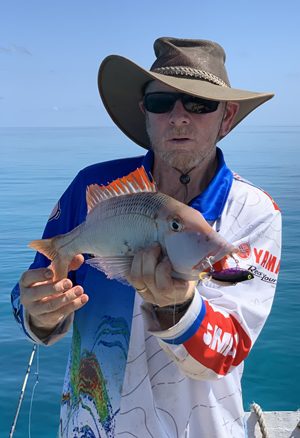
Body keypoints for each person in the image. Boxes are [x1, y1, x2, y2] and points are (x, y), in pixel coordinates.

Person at [11, 37, 281, 437]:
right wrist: (40, 313)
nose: (178, 116)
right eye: (161, 102)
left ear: (226, 117)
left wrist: (178, 306)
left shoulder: (254, 212)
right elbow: (31, 296)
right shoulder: (92, 188)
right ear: (145, 113)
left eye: (199, 103)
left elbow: (229, 349)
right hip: (90, 426)